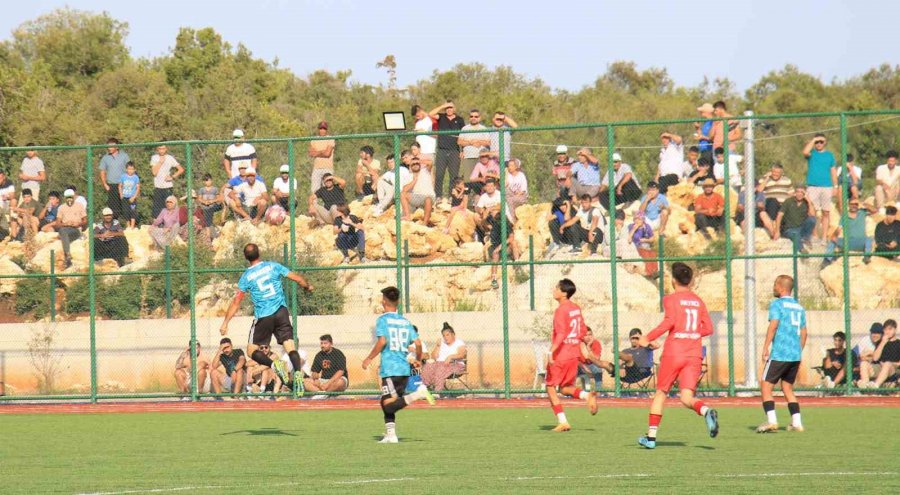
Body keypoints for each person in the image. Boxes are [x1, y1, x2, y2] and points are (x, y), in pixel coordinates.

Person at [637, 262, 718, 449]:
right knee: (686, 397)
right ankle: (706, 411)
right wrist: (691, 333)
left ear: (673, 280)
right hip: (694, 354)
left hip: (674, 353)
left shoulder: (670, 299)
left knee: (661, 393)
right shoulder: (698, 301)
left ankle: (651, 438)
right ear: (689, 280)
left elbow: (669, 322)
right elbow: (709, 328)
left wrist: (647, 337)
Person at [219, 243, 314, 396]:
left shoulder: (246, 277)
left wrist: (225, 322)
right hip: (281, 311)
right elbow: (296, 278)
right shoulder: (273, 266)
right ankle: (297, 372)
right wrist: (307, 286)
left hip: (264, 315)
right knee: (290, 345)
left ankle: (274, 365)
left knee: (251, 350)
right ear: (259, 253)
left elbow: (237, 301)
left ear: (246, 258)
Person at [362, 286, 435, 443]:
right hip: (403, 369)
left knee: (387, 405)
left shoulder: (382, 320)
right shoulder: (405, 321)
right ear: (398, 302)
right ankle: (391, 434)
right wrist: (418, 358)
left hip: (390, 368)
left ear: (383, 301)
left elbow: (382, 341)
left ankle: (419, 394)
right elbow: (417, 342)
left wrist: (369, 358)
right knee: (387, 400)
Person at [544, 279, 598, 432]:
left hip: (561, 355)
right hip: (573, 355)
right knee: (565, 388)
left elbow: (561, 333)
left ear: (564, 293)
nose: (554, 290)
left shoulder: (561, 310)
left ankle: (563, 421)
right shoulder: (576, 308)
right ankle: (586, 396)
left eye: (557, 288)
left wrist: (551, 351)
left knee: (550, 387)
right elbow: (582, 331)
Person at [756, 275, 808, 433]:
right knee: (787, 388)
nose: (773, 287)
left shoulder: (777, 305)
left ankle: (772, 421)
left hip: (779, 354)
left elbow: (773, 326)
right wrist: (798, 350)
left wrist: (765, 347)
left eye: (775, 284)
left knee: (765, 387)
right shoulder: (799, 307)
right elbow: (804, 332)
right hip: (795, 355)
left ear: (781, 287)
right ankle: (797, 423)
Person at [802, 133, 838, 242]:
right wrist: (813, 140)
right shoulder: (812, 154)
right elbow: (805, 152)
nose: (819, 144)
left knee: (825, 212)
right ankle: (814, 235)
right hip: (813, 186)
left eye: (821, 142)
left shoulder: (829, 155)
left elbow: (833, 171)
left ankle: (823, 236)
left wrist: (835, 186)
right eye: (817, 142)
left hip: (826, 186)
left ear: (825, 142)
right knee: (813, 211)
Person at [820, 199, 876, 268]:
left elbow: (874, 211)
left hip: (860, 242)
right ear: (849, 205)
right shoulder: (845, 216)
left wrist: (863, 203)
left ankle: (867, 256)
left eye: (856, 204)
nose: (854, 206)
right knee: (832, 241)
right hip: (848, 242)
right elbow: (839, 228)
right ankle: (826, 260)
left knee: (869, 239)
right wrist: (834, 236)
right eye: (852, 204)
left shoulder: (862, 213)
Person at [430, 101, 465, 198]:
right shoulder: (441, 117)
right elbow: (431, 114)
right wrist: (442, 105)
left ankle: (452, 197)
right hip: (442, 150)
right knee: (439, 175)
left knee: (453, 176)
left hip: (455, 151)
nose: (449, 109)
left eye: (451, 107)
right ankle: (438, 197)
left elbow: (464, 135)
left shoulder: (460, 119)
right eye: (447, 108)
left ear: (454, 108)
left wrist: (463, 150)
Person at [420, 322, 467, 393]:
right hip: (440, 364)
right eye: (444, 335)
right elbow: (433, 357)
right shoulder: (442, 343)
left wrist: (451, 356)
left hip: (455, 364)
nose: (445, 337)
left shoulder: (459, 342)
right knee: (427, 367)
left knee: (440, 369)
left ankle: (437, 392)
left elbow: (462, 354)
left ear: (453, 335)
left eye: (447, 335)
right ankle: (424, 389)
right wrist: (437, 346)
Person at [774, 185, 817, 250]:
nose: (799, 194)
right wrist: (777, 231)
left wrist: (808, 201)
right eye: (797, 192)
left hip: (801, 228)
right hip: (789, 229)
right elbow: (779, 215)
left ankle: (806, 238)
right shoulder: (788, 201)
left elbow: (812, 215)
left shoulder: (807, 202)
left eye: (801, 192)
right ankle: (802, 250)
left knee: (812, 220)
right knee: (795, 234)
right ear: (795, 193)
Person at [372, 153, 413, 217]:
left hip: (403, 193)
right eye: (389, 163)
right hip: (394, 193)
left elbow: (409, 183)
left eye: (392, 162)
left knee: (392, 190)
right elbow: (380, 179)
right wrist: (374, 185)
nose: (390, 164)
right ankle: (381, 205)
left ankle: (380, 207)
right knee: (380, 182)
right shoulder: (389, 172)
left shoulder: (403, 170)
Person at [98, 138, 130, 220]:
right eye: (108, 147)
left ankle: (128, 224)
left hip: (124, 185)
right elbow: (102, 171)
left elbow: (129, 169)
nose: (109, 148)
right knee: (113, 206)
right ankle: (115, 223)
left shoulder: (124, 156)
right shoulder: (105, 158)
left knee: (125, 205)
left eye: (112, 146)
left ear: (117, 147)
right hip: (111, 185)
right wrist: (105, 184)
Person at [150, 144, 184, 219]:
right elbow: (154, 172)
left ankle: (168, 226)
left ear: (166, 149)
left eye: (163, 148)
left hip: (168, 187)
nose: (162, 150)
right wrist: (160, 162)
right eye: (160, 148)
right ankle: (157, 227)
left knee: (169, 207)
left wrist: (172, 177)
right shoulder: (154, 158)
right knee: (157, 209)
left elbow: (181, 169)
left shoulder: (170, 158)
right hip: (158, 187)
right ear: (157, 149)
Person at [55, 189, 87, 268]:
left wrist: (78, 223)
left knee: (63, 233)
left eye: (71, 197)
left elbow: (85, 221)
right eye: (67, 197)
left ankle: (67, 255)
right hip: (65, 228)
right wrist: (65, 223)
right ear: (65, 198)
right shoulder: (61, 207)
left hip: (75, 229)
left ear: (73, 197)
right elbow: (57, 224)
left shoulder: (79, 206)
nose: (69, 199)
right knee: (62, 231)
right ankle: (68, 255)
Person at [400, 157, 435, 225]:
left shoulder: (425, 171)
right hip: (417, 197)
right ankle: (407, 216)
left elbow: (430, 162)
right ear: (410, 166)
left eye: (417, 163)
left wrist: (418, 160)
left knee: (428, 199)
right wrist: (414, 181)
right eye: (413, 164)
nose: (415, 165)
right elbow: (404, 190)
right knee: (402, 194)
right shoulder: (409, 176)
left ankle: (425, 223)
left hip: (429, 196)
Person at [865, 319, 900, 389]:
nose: (887, 332)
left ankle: (875, 386)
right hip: (880, 367)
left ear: (895, 330)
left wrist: (890, 364)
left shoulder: (898, 343)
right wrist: (883, 342)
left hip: (893, 369)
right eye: (885, 330)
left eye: (890, 329)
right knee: (864, 364)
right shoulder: (881, 342)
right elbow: (875, 358)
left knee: (887, 364)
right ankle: (865, 386)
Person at [457, 109, 490, 180]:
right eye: (471, 116)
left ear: (479, 118)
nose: (473, 118)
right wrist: (470, 142)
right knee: (468, 179)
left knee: (481, 178)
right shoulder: (465, 128)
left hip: (481, 157)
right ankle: (468, 190)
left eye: (476, 116)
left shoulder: (484, 128)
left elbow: (488, 142)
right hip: (468, 157)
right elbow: (459, 141)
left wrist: (479, 142)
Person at [308, 121, 335, 193]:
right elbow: (311, 153)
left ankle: (329, 204)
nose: (322, 130)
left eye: (324, 129)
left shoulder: (330, 138)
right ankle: (314, 204)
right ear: (318, 129)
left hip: (327, 168)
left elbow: (327, 154)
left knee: (328, 189)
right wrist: (322, 151)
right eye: (321, 128)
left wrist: (317, 152)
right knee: (314, 190)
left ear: (327, 130)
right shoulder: (314, 139)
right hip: (317, 168)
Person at [578, 327, 608, 391]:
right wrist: (585, 368)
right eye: (586, 335)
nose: (588, 337)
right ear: (582, 336)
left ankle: (599, 391)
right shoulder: (578, 344)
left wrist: (588, 347)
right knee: (571, 367)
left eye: (590, 335)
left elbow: (597, 359)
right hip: (580, 366)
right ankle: (570, 391)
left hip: (592, 365)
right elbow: (575, 360)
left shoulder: (596, 343)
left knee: (598, 368)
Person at [629, 213, 658, 279]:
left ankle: (655, 271)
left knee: (652, 253)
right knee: (646, 253)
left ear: (643, 220)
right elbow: (629, 239)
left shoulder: (647, 226)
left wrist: (645, 240)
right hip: (635, 247)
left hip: (646, 246)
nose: (637, 221)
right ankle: (649, 272)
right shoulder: (631, 226)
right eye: (635, 219)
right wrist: (634, 229)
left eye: (639, 219)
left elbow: (652, 238)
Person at [505, 158, 528, 223]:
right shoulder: (508, 175)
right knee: (506, 191)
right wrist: (506, 173)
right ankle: (511, 219)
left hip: (521, 196)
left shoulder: (521, 175)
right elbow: (505, 185)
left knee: (509, 200)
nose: (509, 167)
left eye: (512, 165)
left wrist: (516, 196)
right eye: (509, 165)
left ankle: (513, 221)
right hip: (511, 196)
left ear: (516, 167)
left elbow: (523, 190)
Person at [118, 161, 140, 229]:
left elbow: (138, 188)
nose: (130, 171)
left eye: (132, 169)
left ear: (134, 170)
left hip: (132, 198)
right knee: (125, 212)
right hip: (125, 198)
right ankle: (128, 226)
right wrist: (121, 195)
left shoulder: (136, 177)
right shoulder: (123, 176)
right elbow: (120, 186)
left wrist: (134, 197)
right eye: (129, 169)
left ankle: (132, 226)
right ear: (126, 169)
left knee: (133, 211)